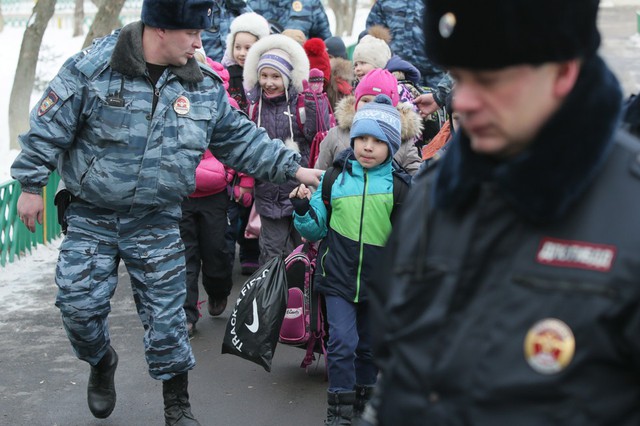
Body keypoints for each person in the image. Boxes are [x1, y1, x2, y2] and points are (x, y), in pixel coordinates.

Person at [10, 0, 322, 424]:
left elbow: (241, 141)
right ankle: (101, 362)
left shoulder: (202, 84)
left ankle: (177, 406)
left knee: (167, 316)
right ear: (159, 30)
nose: (199, 42)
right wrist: (31, 184)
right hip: (92, 213)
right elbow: (49, 126)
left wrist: (295, 168)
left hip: (156, 217)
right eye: (192, 33)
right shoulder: (94, 68)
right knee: (78, 309)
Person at [365, 0, 640, 425]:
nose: (464, 102)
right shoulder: (436, 192)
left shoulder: (630, 210)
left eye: (490, 81)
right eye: (460, 77)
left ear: (564, 71)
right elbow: (395, 365)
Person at [291, 94, 409, 425]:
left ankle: (364, 407)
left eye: (377, 140)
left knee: (369, 348)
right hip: (338, 277)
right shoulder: (333, 179)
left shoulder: (400, 188)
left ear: (392, 145)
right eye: (361, 139)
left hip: (379, 285)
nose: (367, 147)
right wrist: (302, 209)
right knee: (342, 343)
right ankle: (338, 413)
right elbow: (314, 229)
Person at [243, 33, 331, 264]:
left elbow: (316, 133)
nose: (269, 82)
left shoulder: (299, 103)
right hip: (268, 193)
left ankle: (297, 296)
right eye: (264, 75)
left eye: (276, 76)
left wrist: (315, 100)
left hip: (298, 191)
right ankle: (270, 296)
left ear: (288, 77)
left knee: (300, 251)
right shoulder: (255, 107)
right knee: (271, 252)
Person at [221, 11, 271, 275]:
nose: (242, 53)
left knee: (255, 204)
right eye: (237, 46)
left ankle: (250, 249)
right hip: (230, 147)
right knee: (233, 202)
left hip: (256, 143)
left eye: (248, 47)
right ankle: (228, 250)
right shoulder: (226, 74)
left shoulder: (264, 75)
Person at [315, 68, 423, 175]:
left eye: (379, 101)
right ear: (356, 102)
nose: (371, 106)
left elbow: (418, 180)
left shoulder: (403, 141)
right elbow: (319, 176)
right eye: (365, 100)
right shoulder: (335, 135)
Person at [247, 0, 331, 41]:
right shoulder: (254, 3)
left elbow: (324, 42)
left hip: (301, 68)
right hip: (263, 70)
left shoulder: (310, 2)